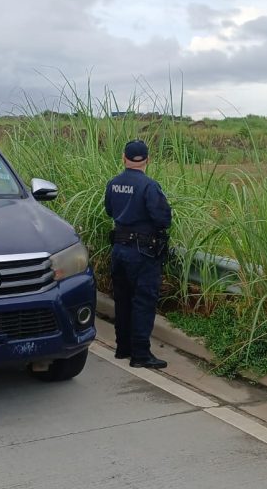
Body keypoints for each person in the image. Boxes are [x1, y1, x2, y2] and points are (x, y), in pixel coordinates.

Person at [105, 139, 172, 369]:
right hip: (143, 253)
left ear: (124, 157)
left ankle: (123, 348)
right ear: (147, 160)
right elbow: (163, 219)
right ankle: (141, 354)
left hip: (119, 250)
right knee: (143, 301)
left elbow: (109, 211)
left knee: (122, 300)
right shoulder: (149, 186)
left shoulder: (113, 183)